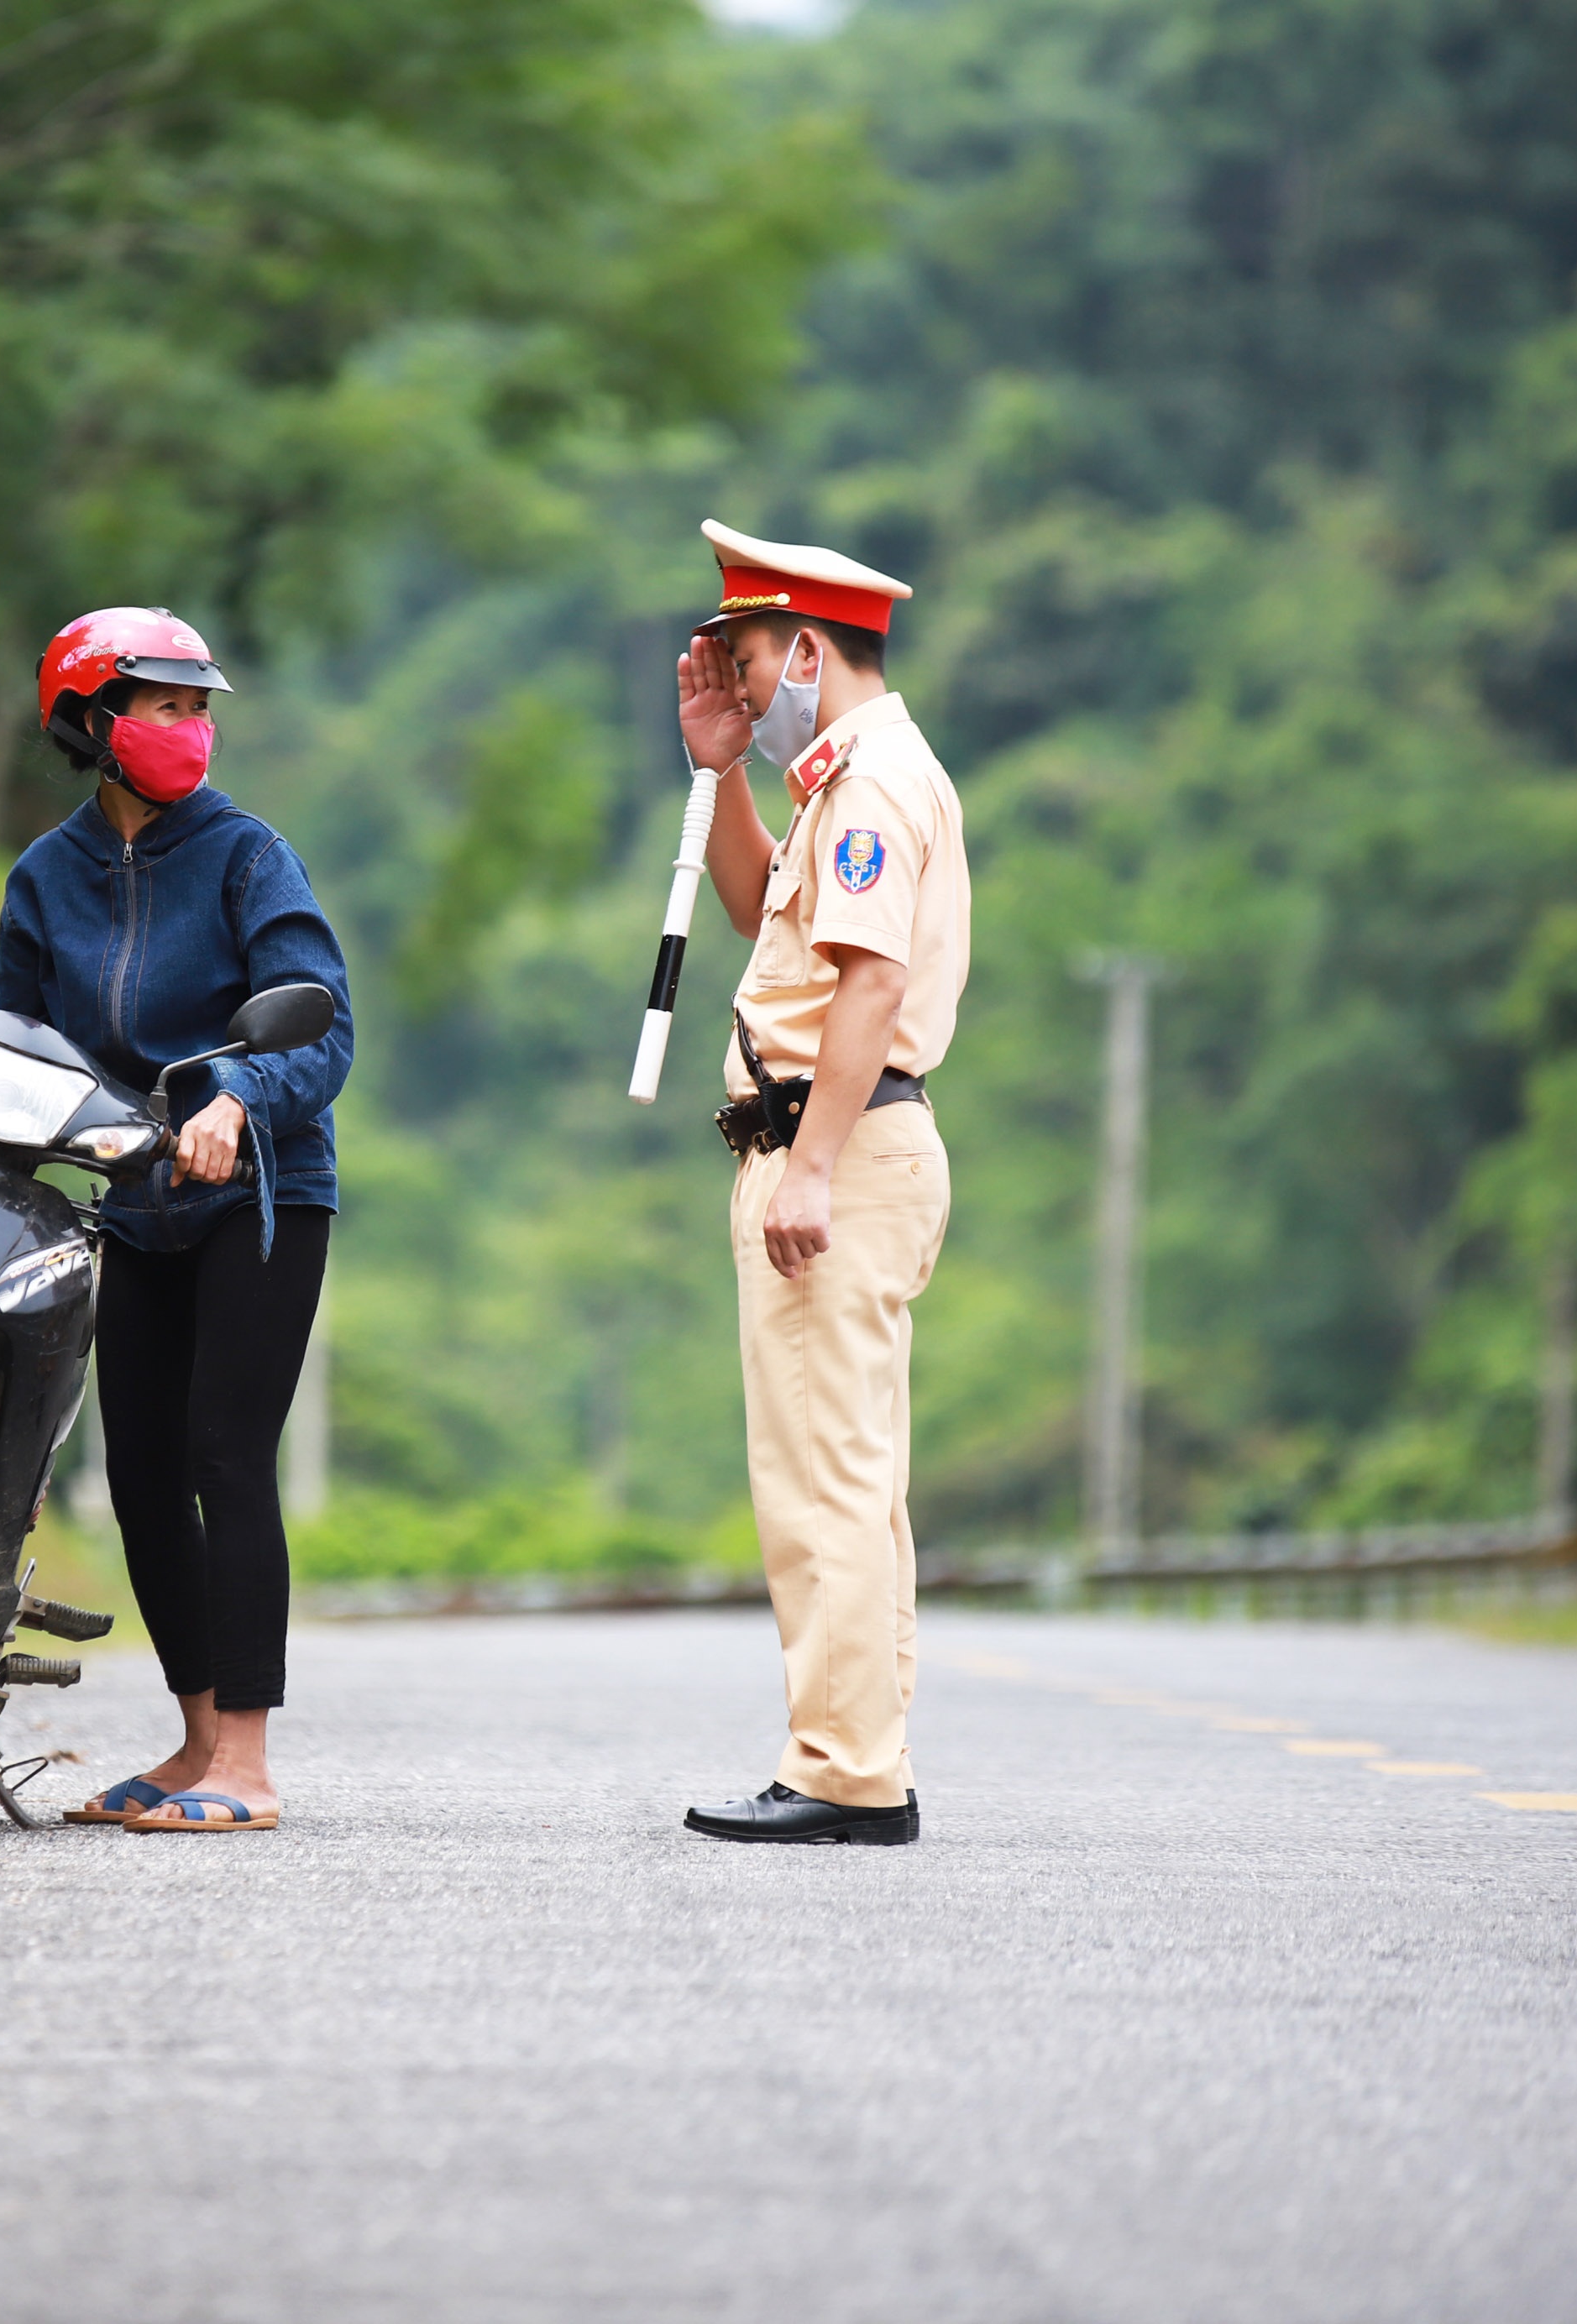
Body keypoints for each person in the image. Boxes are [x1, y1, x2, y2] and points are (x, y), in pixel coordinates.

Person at [0, 606, 354, 1834]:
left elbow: (322, 1020)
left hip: (258, 1196)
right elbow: (18, 1054)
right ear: (93, 722)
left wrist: (238, 1094)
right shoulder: (46, 879)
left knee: (226, 1457)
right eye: (165, 706)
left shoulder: (247, 857)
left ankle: (248, 1761)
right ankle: (193, 1743)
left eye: (199, 706)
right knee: (138, 1474)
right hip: (135, 1203)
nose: (194, 728)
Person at [670, 519, 965, 1846]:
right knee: (853, 1476)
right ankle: (863, 1753)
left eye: (744, 660)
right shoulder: (835, 781)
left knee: (824, 1484)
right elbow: (752, 912)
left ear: (805, 647)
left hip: (832, 1149)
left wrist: (817, 1168)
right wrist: (718, 771)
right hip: (820, 1146)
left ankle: (846, 1772)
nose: (735, 684)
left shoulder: (874, 780)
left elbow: (873, 984)